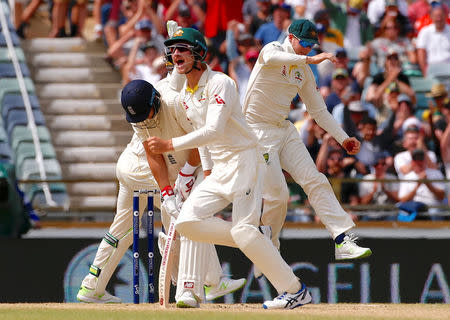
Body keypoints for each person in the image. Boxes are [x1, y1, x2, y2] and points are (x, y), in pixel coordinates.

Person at [146, 27, 313, 309]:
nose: (176, 54)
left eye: (183, 49)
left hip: (245, 159)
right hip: (220, 168)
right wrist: (208, 169)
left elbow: (213, 130)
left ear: (199, 52)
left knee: (243, 231)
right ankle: (255, 237)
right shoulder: (187, 95)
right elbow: (205, 140)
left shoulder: (221, 83)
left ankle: (295, 290)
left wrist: (169, 145)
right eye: (173, 50)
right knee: (188, 222)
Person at [76, 75, 245, 304]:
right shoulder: (139, 112)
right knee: (186, 216)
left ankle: (91, 286)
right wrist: (167, 191)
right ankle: (204, 282)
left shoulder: (175, 102)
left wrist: (187, 171)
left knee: (123, 229)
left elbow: (197, 140)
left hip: (135, 170)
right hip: (141, 170)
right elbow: (152, 153)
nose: (144, 121)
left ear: (155, 100)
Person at [242, 19, 372, 262]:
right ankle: (268, 246)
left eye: (312, 46)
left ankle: (342, 240)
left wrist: (344, 139)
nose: (308, 49)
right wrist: (310, 60)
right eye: (304, 44)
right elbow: (272, 60)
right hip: (257, 132)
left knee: (315, 179)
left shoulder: (303, 70)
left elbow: (319, 111)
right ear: (290, 37)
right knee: (278, 196)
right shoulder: (272, 50)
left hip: (284, 129)